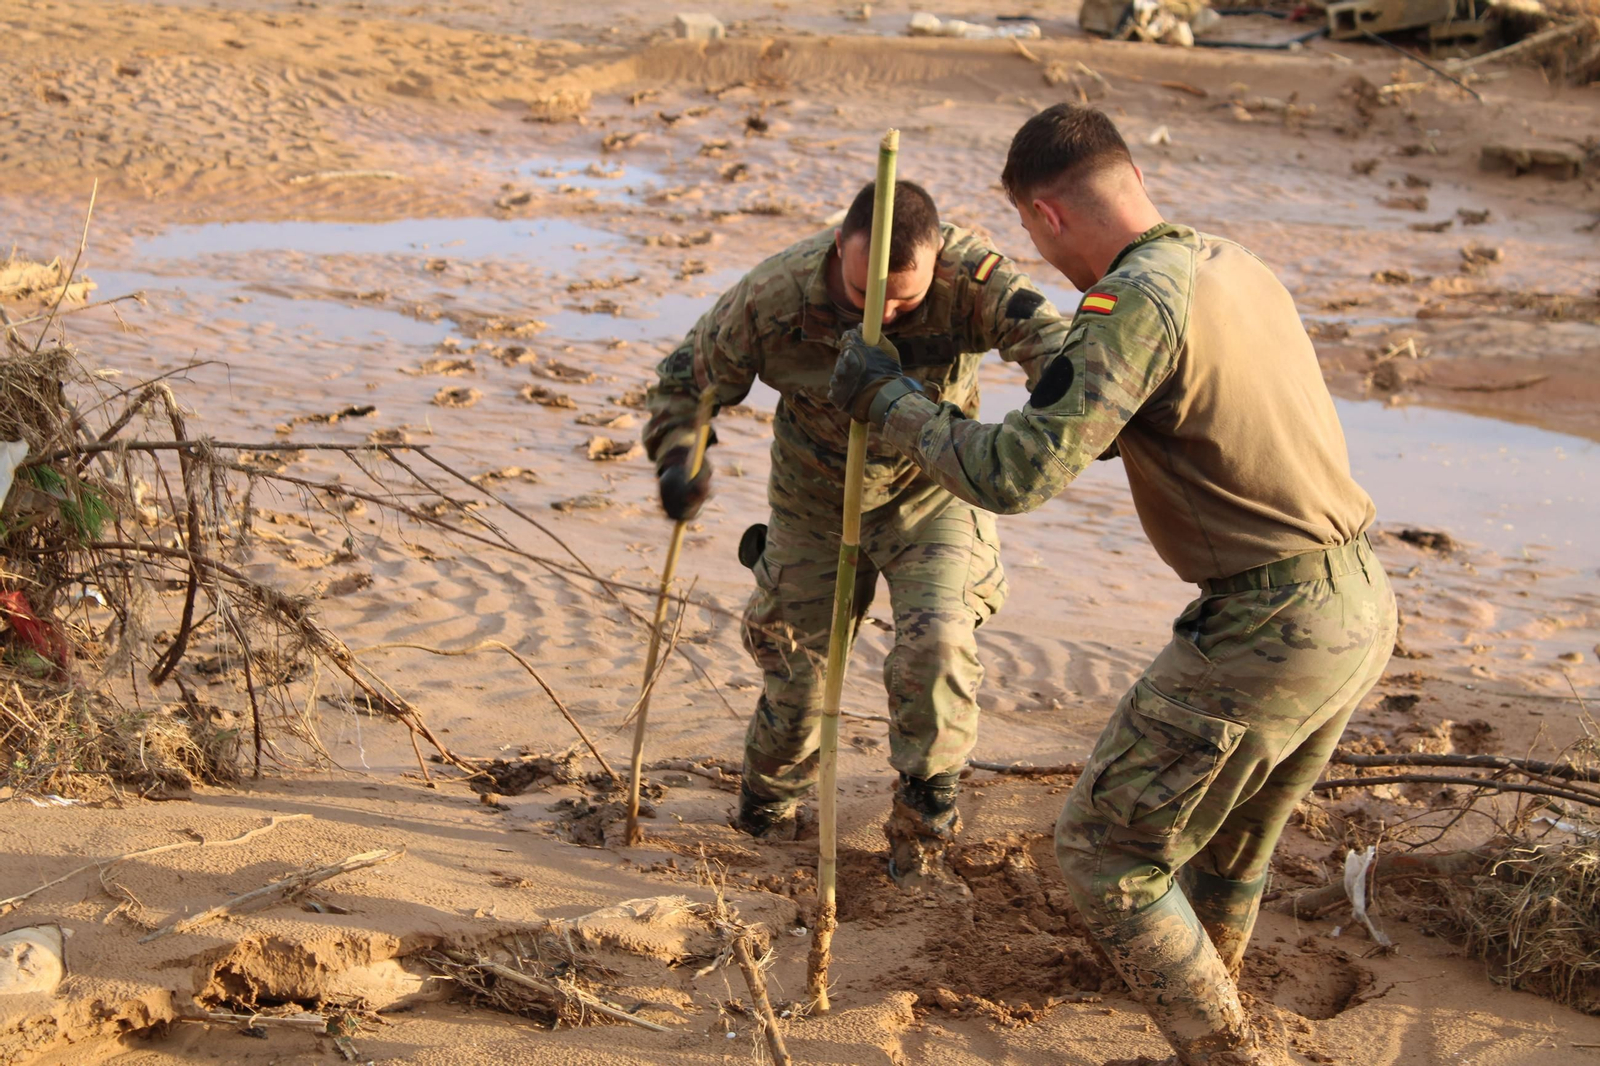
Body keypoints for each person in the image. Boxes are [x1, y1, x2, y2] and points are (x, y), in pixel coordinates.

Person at [827, 105, 1396, 1064]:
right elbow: (1123, 406)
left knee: (1102, 853)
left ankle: (1224, 1051)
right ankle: (1213, 1000)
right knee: (1227, 847)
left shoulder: (1136, 301)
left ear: (1043, 219)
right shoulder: (1231, 264)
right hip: (1360, 604)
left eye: (1032, 240)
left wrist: (893, 404)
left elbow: (1015, 474)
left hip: (1272, 626)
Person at [643, 180, 1070, 891]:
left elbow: (1058, 352)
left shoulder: (974, 279)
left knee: (937, 646)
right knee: (797, 675)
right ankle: (766, 812)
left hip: (931, 493)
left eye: (906, 299)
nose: (886, 312)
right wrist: (678, 460)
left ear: (937, 261)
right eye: (865, 290)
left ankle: (923, 830)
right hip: (813, 499)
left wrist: (1079, 416)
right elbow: (689, 383)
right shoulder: (774, 295)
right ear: (840, 246)